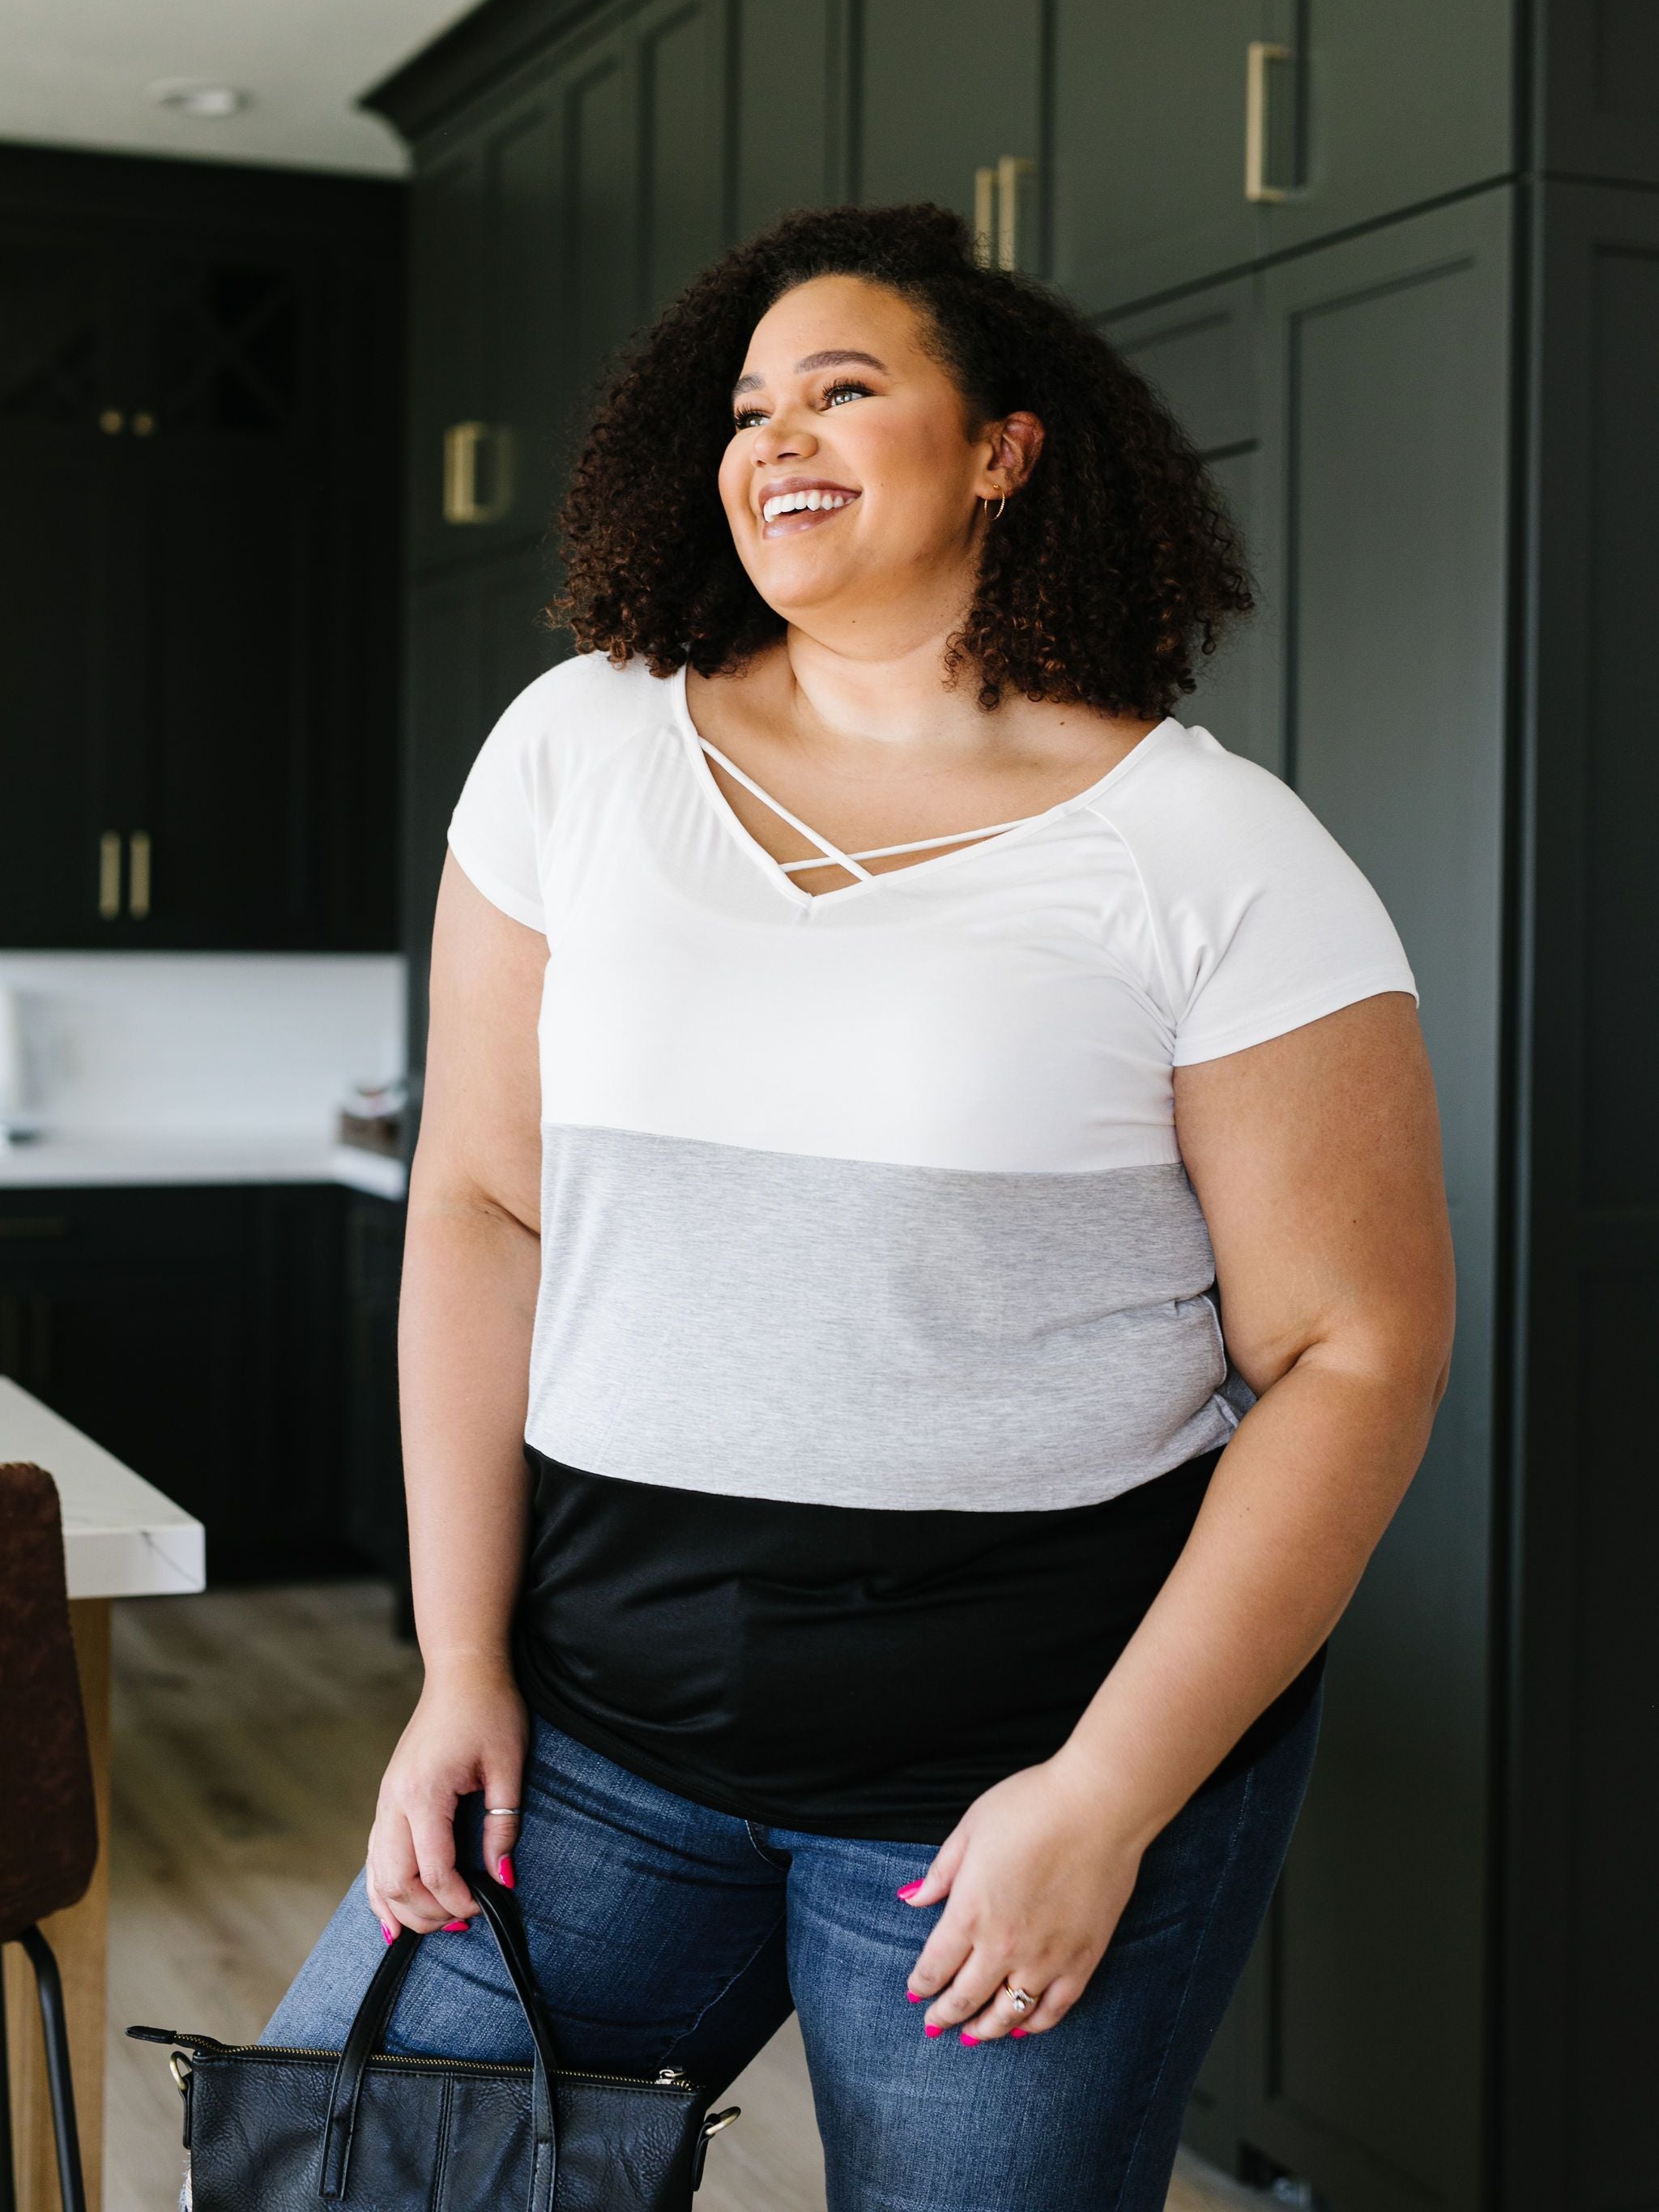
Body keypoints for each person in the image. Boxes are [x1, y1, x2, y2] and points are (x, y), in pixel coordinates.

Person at [267, 203, 1454, 2210]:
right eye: (743, 405)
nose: (773, 435)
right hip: (599, 1740)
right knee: (340, 2170)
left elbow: (1357, 1349)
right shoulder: (582, 750)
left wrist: (1106, 1797)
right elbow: (478, 1203)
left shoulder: (1211, 851)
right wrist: (459, 1663)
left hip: (1010, 1779)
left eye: (842, 385)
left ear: (1003, 447)